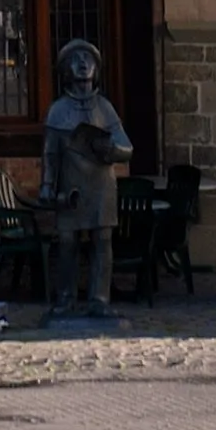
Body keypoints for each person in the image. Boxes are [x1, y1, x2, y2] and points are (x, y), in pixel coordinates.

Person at [39, 37, 132, 321]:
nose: (82, 64)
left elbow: (127, 148)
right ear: (65, 70)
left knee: (102, 243)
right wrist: (47, 185)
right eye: (75, 59)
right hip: (72, 188)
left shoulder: (105, 108)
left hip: (102, 187)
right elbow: (50, 154)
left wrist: (111, 149)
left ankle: (99, 299)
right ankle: (65, 299)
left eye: (88, 59)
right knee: (67, 243)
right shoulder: (58, 110)